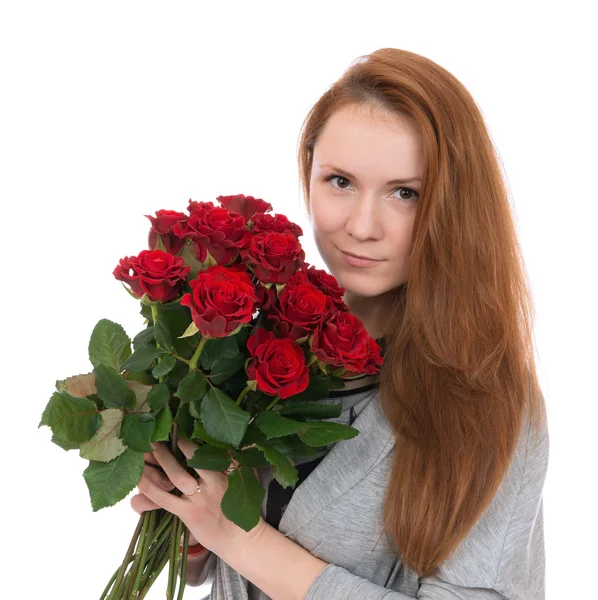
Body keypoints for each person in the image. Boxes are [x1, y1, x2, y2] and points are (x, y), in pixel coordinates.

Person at [131, 47, 550, 599]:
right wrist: (185, 515)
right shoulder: (256, 336)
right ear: (309, 171)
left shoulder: (490, 402)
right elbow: (222, 566)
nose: (362, 225)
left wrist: (242, 539)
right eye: (340, 181)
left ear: (454, 205)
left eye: (405, 193)